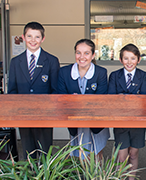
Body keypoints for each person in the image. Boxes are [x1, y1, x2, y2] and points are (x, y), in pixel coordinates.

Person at [8, 22, 60, 159]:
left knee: (44, 153)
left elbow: (55, 91)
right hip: (23, 114)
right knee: (27, 153)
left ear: (42, 39)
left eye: (37, 37)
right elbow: (12, 91)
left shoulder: (52, 61)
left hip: (45, 115)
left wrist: (48, 110)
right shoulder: (15, 62)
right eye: (29, 36)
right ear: (23, 37)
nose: (33, 40)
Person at [57, 39, 110, 159]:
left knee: (96, 153)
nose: (82, 57)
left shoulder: (101, 72)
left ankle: (97, 177)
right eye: (78, 52)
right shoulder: (64, 72)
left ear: (93, 55)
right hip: (75, 121)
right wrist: (85, 100)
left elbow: (101, 99)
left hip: (96, 121)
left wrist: (77, 100)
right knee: (79, 153)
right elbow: (61, 97)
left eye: (86, 53)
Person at [108, 43, 146, 179]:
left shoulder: (144, 76)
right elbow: (112, 98)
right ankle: (120, 177)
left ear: (138, 59)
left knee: (133, 154)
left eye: (133, 58)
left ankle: (131, 178)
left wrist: (123, 97)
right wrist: (133, 97)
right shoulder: (114, 75)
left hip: (138, 121)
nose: (129, 62)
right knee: (122, 155)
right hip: (120, 121)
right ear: (120, 60)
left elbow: (144, 98)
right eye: (126, 58)